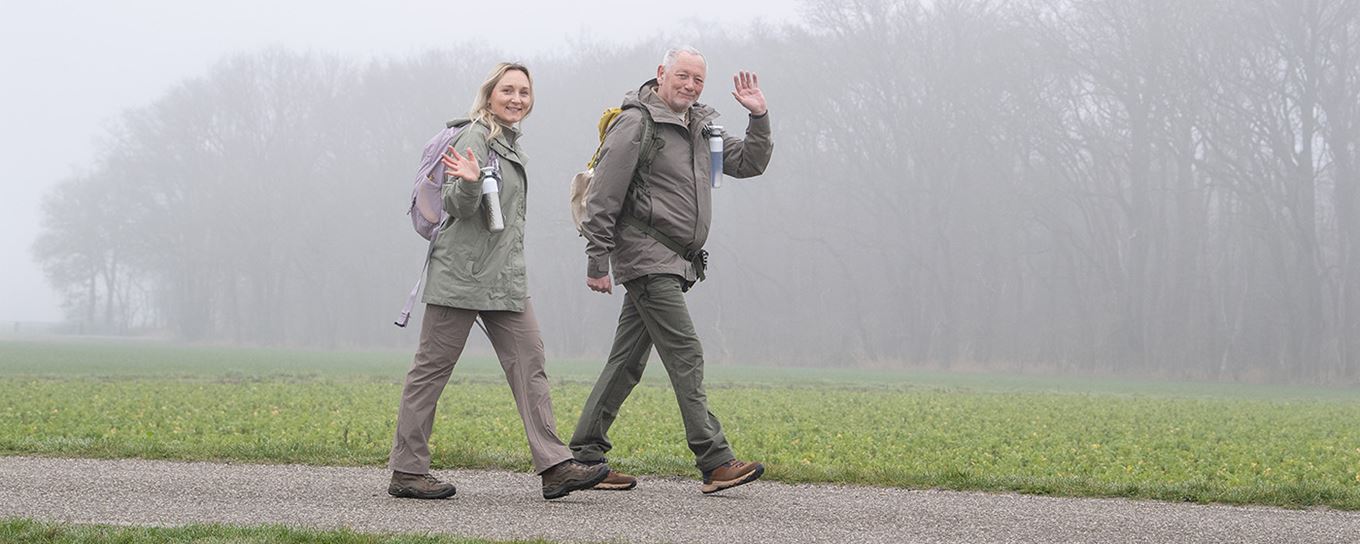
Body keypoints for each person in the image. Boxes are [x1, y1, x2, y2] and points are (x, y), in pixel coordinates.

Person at [387, 62, 610, 501]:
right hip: (462, 276)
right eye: (507, 90)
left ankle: (555, 467)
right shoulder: (474, 136)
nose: (516, 99)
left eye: (524, 92)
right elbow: (456, 204)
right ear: (489, 94)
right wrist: (469, 184)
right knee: (430, 373)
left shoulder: (507, 143)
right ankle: (407, 472)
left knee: (531, 366)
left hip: (503, 278)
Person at [571, 46, 774, 494]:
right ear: (661, 73)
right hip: (646, 257)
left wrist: (758, 118)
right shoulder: (635, 123)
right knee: (687, 353)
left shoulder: (701, 128)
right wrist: (597, 259)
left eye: (698, 80)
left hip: (673, 261)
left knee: (626, 360)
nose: (690, 85)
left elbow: (750, 163)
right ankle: (715, 459)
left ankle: (585, 454)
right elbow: (603, 196)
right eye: (682, 76)